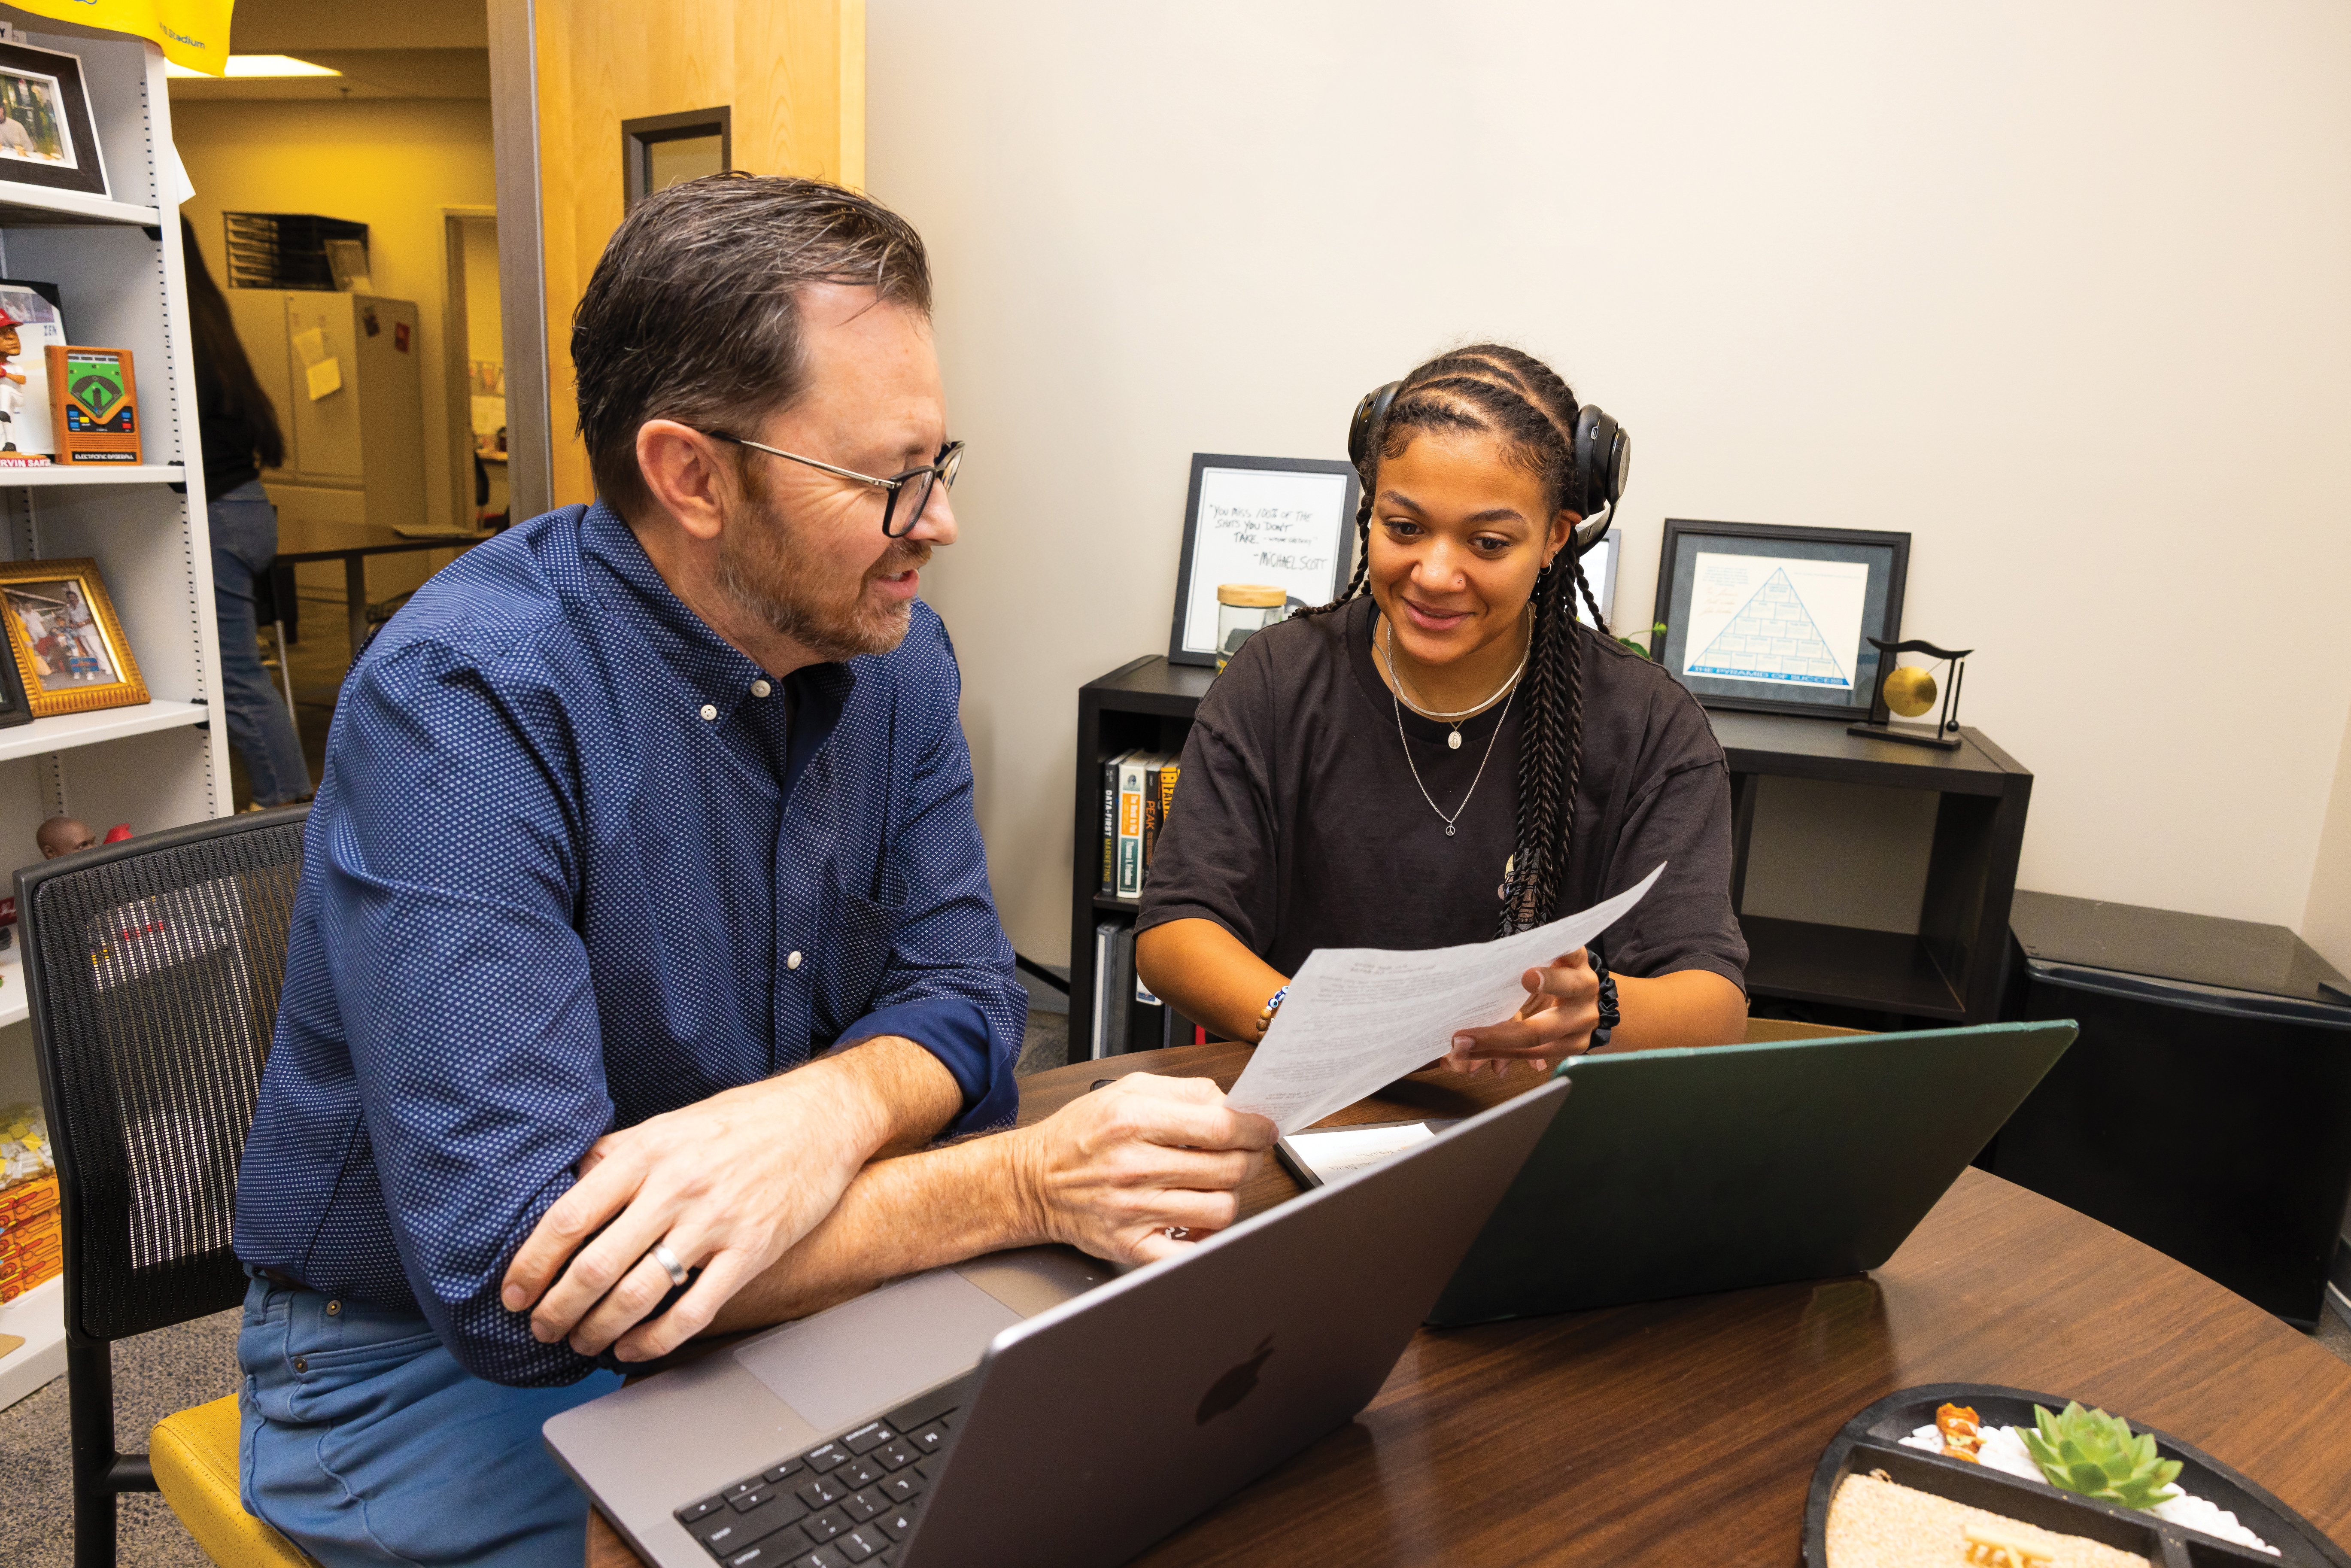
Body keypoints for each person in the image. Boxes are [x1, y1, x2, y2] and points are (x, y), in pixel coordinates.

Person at [231, 175, 1273, 1568]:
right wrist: (1012, 1188)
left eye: (940, 462)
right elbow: (518, 1284)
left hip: (773, 1267)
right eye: (888, 478)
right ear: (692, 476)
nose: (939, 523)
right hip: (414, 1370)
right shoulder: (463, 707)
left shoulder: (894, 660)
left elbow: (965, 992)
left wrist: (823, 1115)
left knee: (1120, 1476)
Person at [1136, 345, 1748, 1070]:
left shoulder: (1649, 725)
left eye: (1488, 542)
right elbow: (1177, 929)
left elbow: (1714, 1002)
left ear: (1556, 536)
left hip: (1538, 1126)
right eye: (1404, 528)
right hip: (1313, 1099)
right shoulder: (1276, 679)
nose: (1433, 574)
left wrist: (1596, 1009)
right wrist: (1310, 1026)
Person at [182, 219, 311, 806]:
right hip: (248, 509)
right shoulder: (211, 332)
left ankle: (285, 806)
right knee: (240, 671)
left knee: (234, 677)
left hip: (219, 517)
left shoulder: (175, 341)